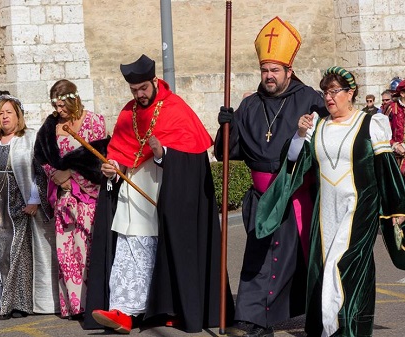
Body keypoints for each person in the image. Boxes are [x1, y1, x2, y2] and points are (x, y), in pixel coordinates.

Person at [84, 54, 230, 333]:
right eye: (133, 90)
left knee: (163, 252)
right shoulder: (129, 113)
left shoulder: (176, 109)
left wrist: (163, 154)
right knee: (129, 246)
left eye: (143, 89)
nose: (139, 95)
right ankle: (123, 310)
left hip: (166, 194)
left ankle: (167, 308)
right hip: (134, 193)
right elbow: (120, 152)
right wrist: (112, 167)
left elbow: (192, 161)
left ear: (154, 81)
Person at [256, 66, 405, 337]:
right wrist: (300, 135)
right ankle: (329, 327)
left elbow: (386, 169)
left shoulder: (370, 124)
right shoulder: (318, 125)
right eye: (325, 91)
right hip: (325, 212)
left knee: (344, 265)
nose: (329, 97)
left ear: (351, 94)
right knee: (324, 269)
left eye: (335, 91)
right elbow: (293, 162)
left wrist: (398, 208)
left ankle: (347, 328)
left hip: (359, 208)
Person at [214, 17, 327, 337]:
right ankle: (254, 319)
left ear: (289, 72)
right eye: (265, 70)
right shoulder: (249, 104)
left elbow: (322, 147)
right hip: (259, 197)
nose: (269, 76)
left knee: (292, 261)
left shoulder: (310, 100)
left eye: (275, 70)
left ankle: (275, 318)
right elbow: (225, 153)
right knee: (259, 258)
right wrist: (227, 125)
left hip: (293, 196)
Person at [0, 94, 59, 319]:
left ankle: (21, 303)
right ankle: (7, 301)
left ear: (18, 115)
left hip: (20, 205)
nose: (4, 117)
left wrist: (34, 200)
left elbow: (39, 170)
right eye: (0, 113)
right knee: (1, 254)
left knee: (19, 254)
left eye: (9, 112)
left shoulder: (29, 138)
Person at [34, 79, 108, 319]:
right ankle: (76, 306)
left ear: (73, 100)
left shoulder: (93, 121)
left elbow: (99, 159)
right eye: (55, 106)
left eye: (62, 106)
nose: (59, 111)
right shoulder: (50, 127)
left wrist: (73, 174)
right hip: (63, 199)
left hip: (87, 198)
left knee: (85, 249)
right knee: (65, 253)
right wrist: (54, 175)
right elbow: (42, 157)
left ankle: (94, 301)